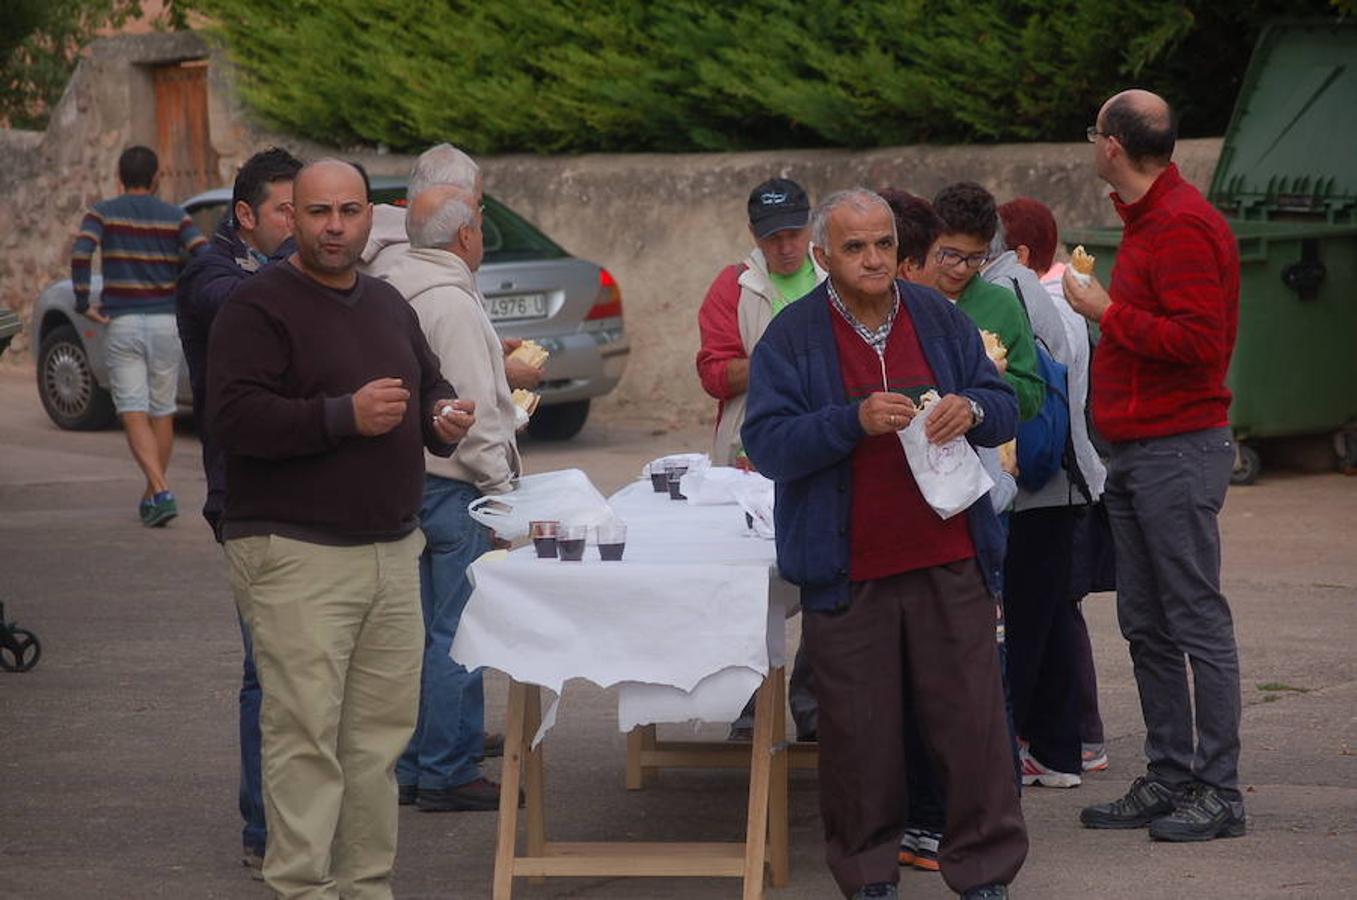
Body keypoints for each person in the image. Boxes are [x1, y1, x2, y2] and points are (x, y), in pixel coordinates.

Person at [742, 189, 1026, 900]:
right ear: (821, 257)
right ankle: (869, 876)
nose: (871, 259)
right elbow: (768, 444)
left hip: (950, 557)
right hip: (849, 571)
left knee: (971, 725)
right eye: (853, 247)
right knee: (858, 737)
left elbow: (1003, 404)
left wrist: (974, 408)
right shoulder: (792, 337)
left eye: (881, 244)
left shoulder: (935, 316)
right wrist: (850, 421)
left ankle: (984, 871)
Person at [207, 159, 472, 897]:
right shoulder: (257, 306)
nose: (333, 226)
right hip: (295, 553)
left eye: (348, 211)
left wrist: (441, 418)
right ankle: (302, 887)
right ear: (289, 217)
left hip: (391, 549)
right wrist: (340, 416)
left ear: (369, 218)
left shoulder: (388, 302)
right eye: (317, 212)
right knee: (304, 738)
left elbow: (430, 386)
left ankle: (365, 887)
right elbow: (229, 418)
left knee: (375, 744)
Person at [1065, 89, 1244, 842]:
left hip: (1176, 450)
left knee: (1193, 618)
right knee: (1145, 621)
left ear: (1111, 145)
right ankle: (1170, 775)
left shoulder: (1178, 227)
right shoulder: (1146, 221)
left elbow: (1201, 343)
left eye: (1093, 131)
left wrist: (1106, 314)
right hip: (1137, 454)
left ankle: (1220, 791)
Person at [880, 188, 1017, 874]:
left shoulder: (950, 320)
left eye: (968, 259)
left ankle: (964, 825)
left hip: (962, 525)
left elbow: (1011, 403)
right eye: (945, 258)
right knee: (907, 688)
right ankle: (924, 820)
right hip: (888, 537)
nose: (956, 270)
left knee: (960, 687)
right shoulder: (839, 323)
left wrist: (973, 404)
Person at [175, 145, 303, 875]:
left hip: (310, 493)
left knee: (311, 672)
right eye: (291, 211)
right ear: (247, 215)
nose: (306, 226)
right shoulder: (211, 275)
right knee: (267, 669)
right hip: (245, 498)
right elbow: (239, 309)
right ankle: (263, 829)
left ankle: (306, 818)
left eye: (313, 211)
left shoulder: (293, 273)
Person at [386, 180, 523, 812]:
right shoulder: (452, 301)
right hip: (453, 487)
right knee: (459, 632)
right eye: (479, 221)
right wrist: (504, 498)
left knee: (427, 631)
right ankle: (447, 769)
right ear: (464, 236)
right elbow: (473, 418)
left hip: (413, 480)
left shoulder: (398, 278)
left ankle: (419, 764)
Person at [695, 176, 823, 743]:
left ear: (811, 228)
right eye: (774, 238)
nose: (786, 246)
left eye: (794, 233)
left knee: (823, 579)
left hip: (821, 448)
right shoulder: (733, 287)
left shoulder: (830, 277)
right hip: (747, 457)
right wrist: (776, 359)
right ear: (754, 236)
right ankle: (748, 706)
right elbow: (713, 372)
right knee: (748, 585)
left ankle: (814, 706)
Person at [998, 196, 1110, 774]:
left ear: (1017, 254)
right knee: (1058, 611)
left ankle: (1057, 742)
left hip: (1046, 479)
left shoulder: (1027, 300)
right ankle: (1074, 744)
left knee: (1039, 616)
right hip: (1074, 476)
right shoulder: (1064, 301)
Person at [70, 145, 206, 526]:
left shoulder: (102, 212)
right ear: (157, 177)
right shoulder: (175, 216)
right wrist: (190, 295)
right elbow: (203, 253)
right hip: (165, 322)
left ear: (119, 178)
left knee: (132, 408)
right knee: (162, 410)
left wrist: (83, 301)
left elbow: (81, 253)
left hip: (123, 321)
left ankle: (159, 490)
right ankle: (153, 496)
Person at [362, 143, 542, 392]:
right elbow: (461, 395)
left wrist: (490, 350)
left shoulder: (410, 257)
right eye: (476, 204)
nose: (478, 216)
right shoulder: (428, 273)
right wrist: (502, 373)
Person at [930, 182, 1045, 423]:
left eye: (975, 258)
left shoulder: (1003, 304)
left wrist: (996, 376)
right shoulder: (908, 294)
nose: (961, 268)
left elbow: (1032, 396)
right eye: (949, 254)